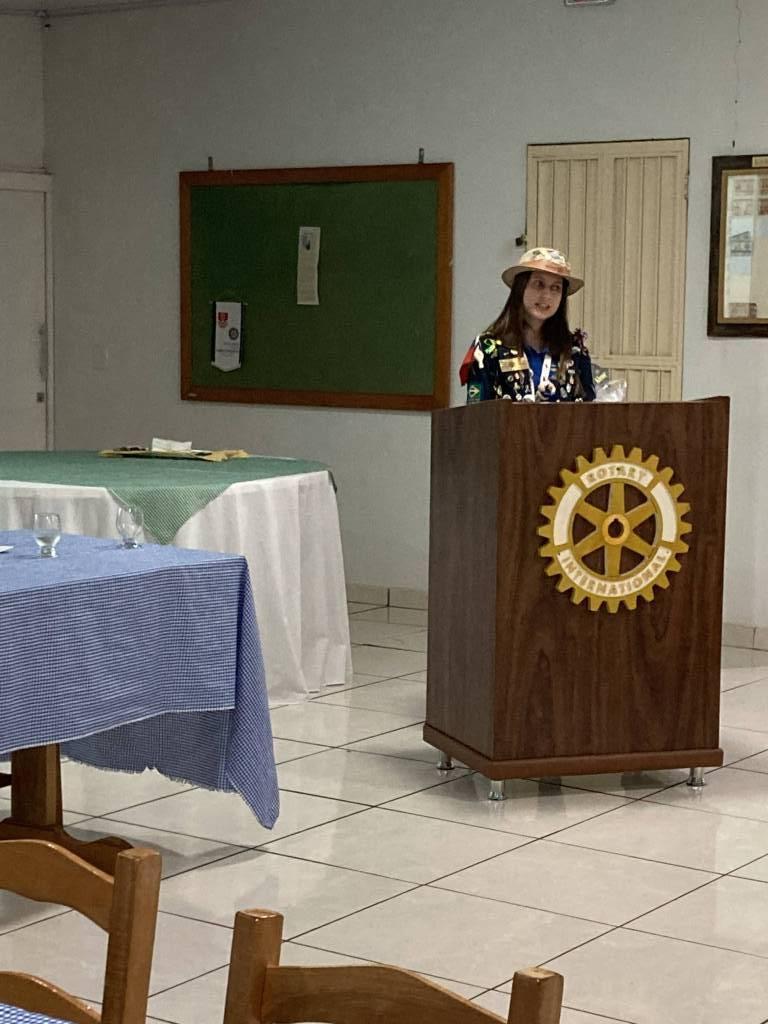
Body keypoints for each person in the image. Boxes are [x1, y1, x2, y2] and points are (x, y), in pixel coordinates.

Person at [459, 247, 595, 403]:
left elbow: (589, 411)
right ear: (521, 287)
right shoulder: (488, 348)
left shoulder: (574, 350)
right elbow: (475, 413)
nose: (546, 296)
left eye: (556, 288)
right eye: (539, 284)